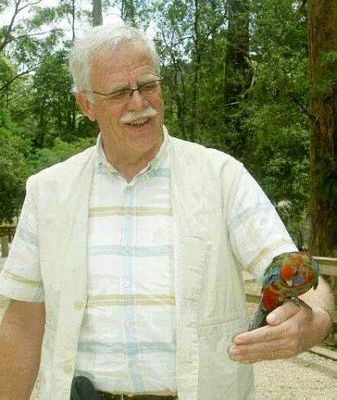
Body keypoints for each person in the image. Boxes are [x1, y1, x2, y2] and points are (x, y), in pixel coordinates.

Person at [0, 23, 334, 400]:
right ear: (86, 104)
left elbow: (296, 270)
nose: (139, 104)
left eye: (148, 85)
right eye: (119, 93)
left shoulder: (222, 177)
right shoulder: (48, 191)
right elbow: (24, 322)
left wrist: (315, 320)